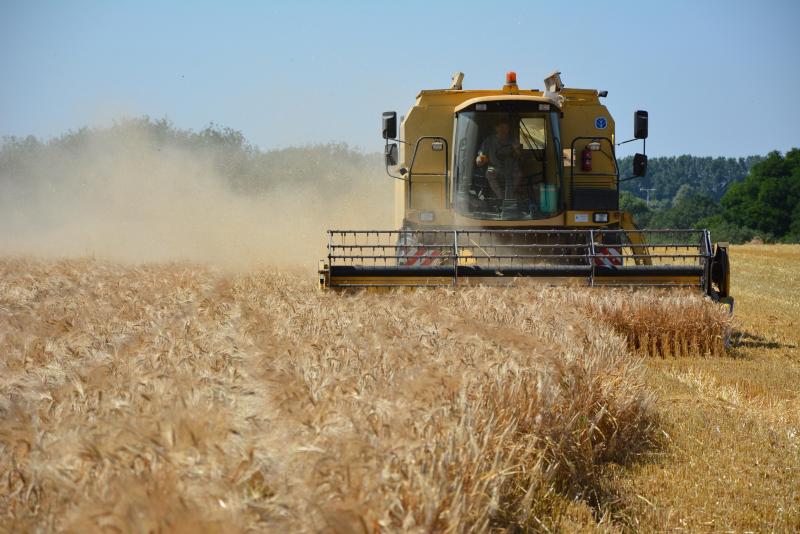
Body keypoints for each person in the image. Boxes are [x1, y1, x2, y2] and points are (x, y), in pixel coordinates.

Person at [475, 119, 523, 202]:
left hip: (511, 168)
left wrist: (516, 150)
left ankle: (509, 196)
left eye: (506, 128)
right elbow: (482, 156)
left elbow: (520, 157)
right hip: (495, 168)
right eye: (501, 127)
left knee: (518, 174)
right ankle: (501, 197)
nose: (504, 130)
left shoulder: (513, 140)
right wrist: (480, 160)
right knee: (489, 173)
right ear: (496, 128)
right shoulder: (489, 141)